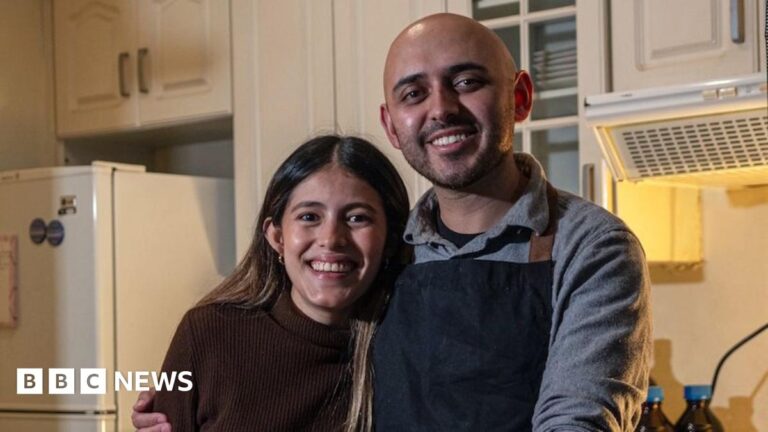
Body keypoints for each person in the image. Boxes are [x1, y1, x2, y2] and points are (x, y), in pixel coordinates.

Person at [134, 13, 651, 432]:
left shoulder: (592, 247)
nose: (441, 109)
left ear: (519, 98)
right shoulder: (392, 253)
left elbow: (577, 422)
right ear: (392, 125)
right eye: (413, 94)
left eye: (467, 81)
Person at [147, 135, 409, 431]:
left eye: (357, 218)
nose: (331, 238)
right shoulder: (208, 334)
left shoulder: (410, 347)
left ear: (389, 239)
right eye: (309, 216)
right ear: (277, 237)